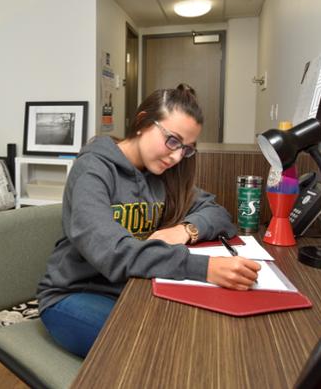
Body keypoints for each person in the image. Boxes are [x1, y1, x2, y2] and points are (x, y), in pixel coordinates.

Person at [36, 84, 261, 358]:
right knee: (165, 348)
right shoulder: (93, 170)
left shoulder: (161, 175)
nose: (177, 156)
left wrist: (185, 230)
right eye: (173, 140)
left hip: (134, 286)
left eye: (187, 149)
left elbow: (218, 214)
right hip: (75, 295)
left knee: (200, 333)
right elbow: (113, 253)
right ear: (142, 122)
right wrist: (204, 268)